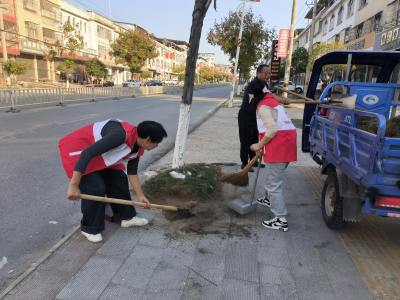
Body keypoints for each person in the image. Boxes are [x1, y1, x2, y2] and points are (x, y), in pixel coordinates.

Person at [59, 119, 167, 243]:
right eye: (156, 143)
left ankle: (127, 217)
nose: (157, 146)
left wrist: (140, 196)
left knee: (119, 178)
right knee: (95, 187)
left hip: (100, 154)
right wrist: (74, 185)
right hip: (81, 151)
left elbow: (132, 173)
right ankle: (89, 228)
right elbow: (87, 153)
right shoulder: (120, 135)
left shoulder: (138, 146)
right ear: (148, 139)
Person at [246, 79, 297, 232]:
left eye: (249, 95)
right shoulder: (273, 102)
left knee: (273, 185)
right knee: (272, 180)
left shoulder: (263, 106)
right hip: (286, 143)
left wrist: (259, 145)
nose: (249, 98)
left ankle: (281, 219)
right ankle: (270, 199)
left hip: (279, 145)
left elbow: (272, 129)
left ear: (255, 95)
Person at [238, 64, 290, 172]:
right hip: (246, 115)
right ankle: (244, 163)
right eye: (266, 73)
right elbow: (270, 96)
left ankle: (253, 161)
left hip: (255, 115)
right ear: (258, 74)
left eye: (269, 73)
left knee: (254, 139)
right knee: (246, 140)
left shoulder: (263, 84)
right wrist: (282, 100)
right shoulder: (257, 84)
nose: (268, 75)